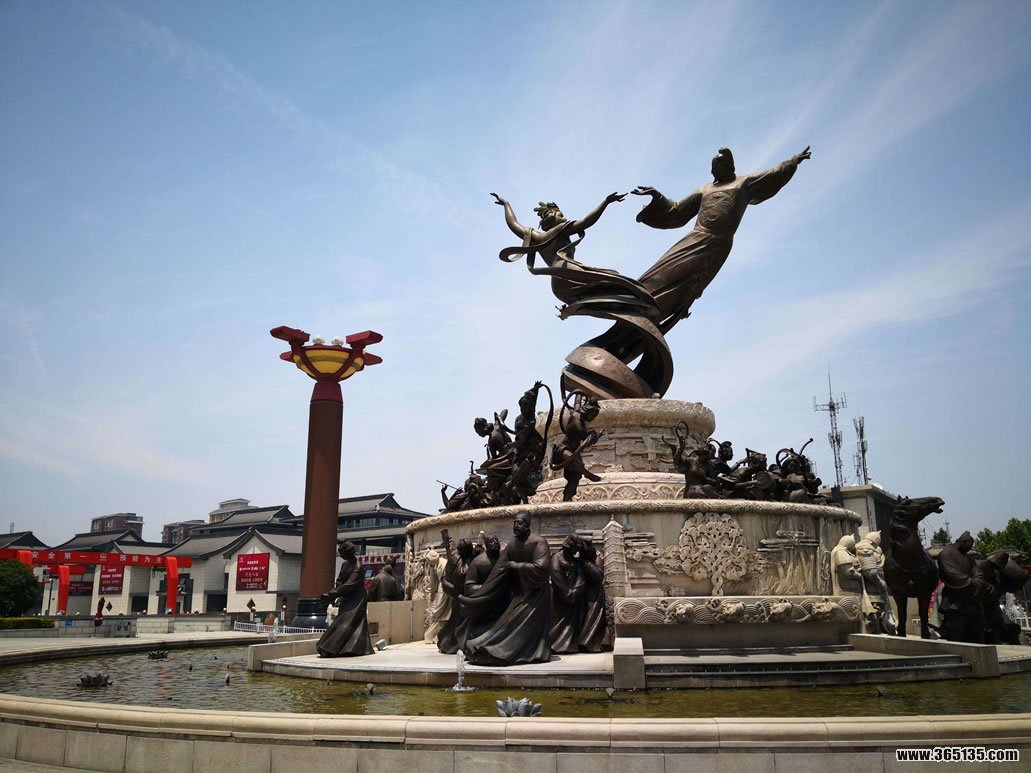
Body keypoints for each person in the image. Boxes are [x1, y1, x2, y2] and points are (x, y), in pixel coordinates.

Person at [631, 146, 811, 333]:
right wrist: (657, 196)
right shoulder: (705, 190)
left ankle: (662, 310)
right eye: (712, 168)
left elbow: (773, 174)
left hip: (718, 244)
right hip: (696, 237)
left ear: (729, 167)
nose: (712, 172)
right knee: (664, 270)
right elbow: (677, 211)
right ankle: (637, 299)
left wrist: (793, 161)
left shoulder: (743, 184)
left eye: (716, 167)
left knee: (689, 283)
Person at [461, 512, 552, 666]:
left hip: (536, 593)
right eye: (514, 523)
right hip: (519, 594)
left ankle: (531, 653)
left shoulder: (539, 543)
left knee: (523, 625)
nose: (515, 526)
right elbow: (498, 571)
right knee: (505, 625)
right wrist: (479, 596)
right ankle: (486, 648)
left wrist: (519, 566)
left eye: (519, 523)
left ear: (527, 525)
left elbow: (542, 568)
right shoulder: (511, 546)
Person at [317, 540, 374, 658]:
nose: (341, 556)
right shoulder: (345, 565)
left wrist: (333, 594)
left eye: (342, 553)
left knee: (347, 623)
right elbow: (340, 580)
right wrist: (336, 591)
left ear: (348, 553)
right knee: (341, 621)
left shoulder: (358, 565)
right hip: (346, 596)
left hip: (357, 597)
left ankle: (331, 648)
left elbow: (350, 583)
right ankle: (348, 648)